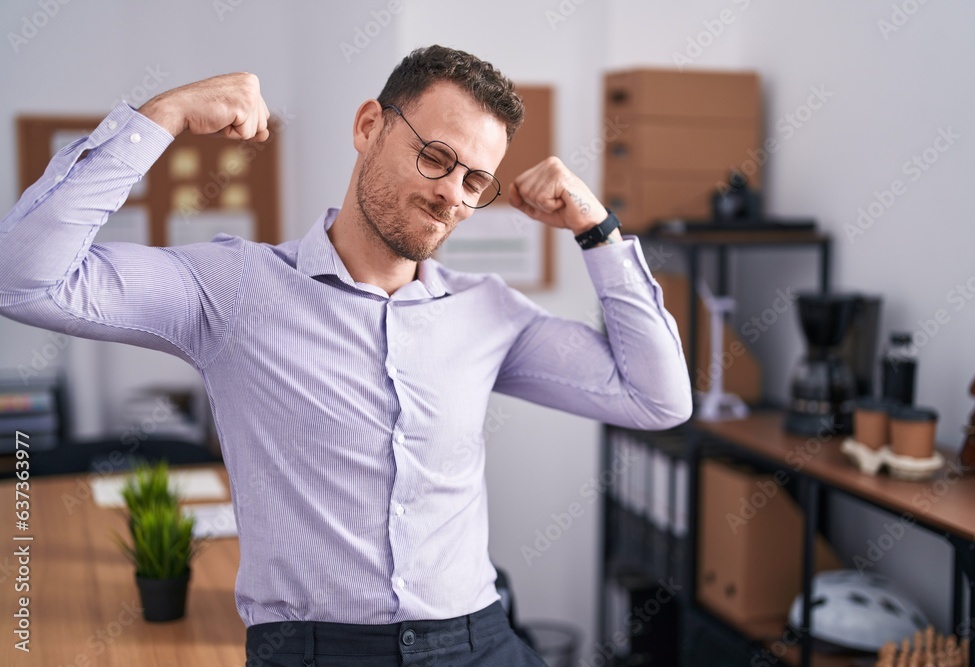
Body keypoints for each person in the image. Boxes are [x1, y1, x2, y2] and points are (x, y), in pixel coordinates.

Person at [0, 45, 691, 666]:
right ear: (369, 127)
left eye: (475, 181)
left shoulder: (488, 312)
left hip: (480, 639)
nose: (452, 193)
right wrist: (165, 115)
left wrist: (595, 228)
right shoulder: (234, 289)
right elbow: (23, 279)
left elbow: (658, 399)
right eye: (436, 157)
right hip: (316, 649)